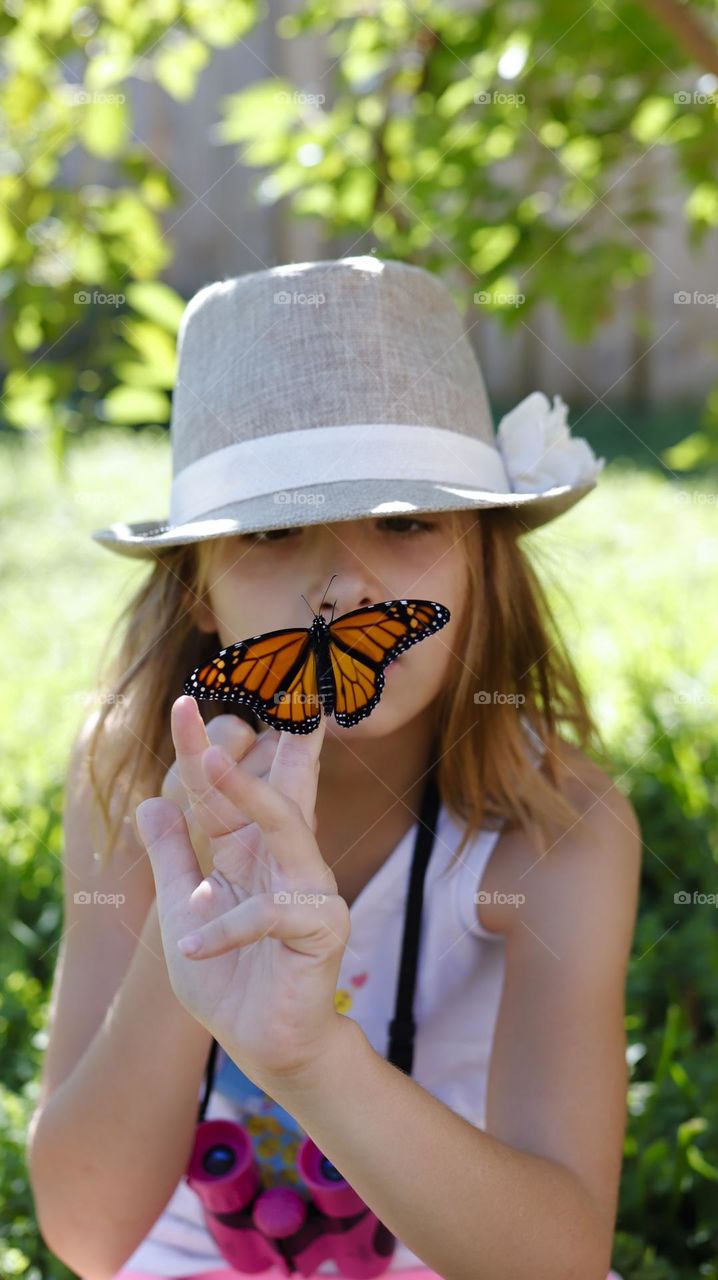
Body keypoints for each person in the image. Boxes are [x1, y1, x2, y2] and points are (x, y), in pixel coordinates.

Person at [27, 255, 638, 1280]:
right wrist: (197, 912)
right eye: (270, 531)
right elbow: (87, 1232)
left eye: (404, 523)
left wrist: (312, 1055)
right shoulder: (131, 779)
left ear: (481, 561)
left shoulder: (554, 826)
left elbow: (559, 1257)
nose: (341, 583)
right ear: (201, 594)